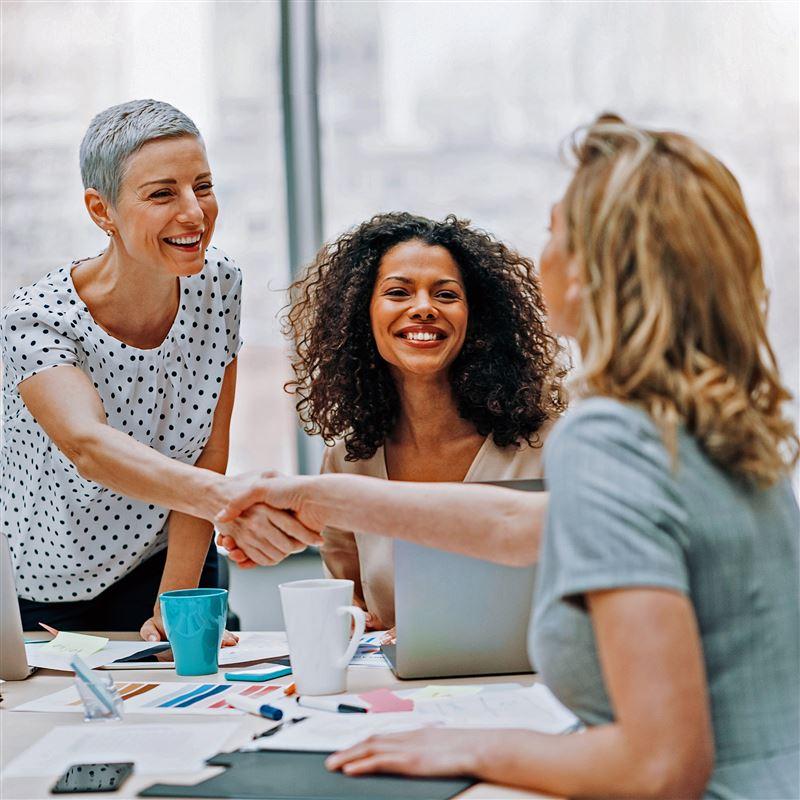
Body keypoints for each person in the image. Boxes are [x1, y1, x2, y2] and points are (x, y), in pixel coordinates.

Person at [217, 116, 800, 799]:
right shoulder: (711, 421)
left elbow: (661, 767)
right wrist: (314, 497)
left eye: (556, 230)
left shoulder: (606, 433)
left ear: (592, 271)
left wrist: (474, 746)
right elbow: (516, 526)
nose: (542, 250)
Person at [1, 99, 318, 642]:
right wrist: (227, 500)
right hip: (48, 579)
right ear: (102, 211)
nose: (194, 212)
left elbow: (209, 449)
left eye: (203, 185)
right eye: (162, 193)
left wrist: (175, 600)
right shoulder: (35, 319)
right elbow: (88, 447)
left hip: (171, 546)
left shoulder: (218, 284)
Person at [221, 212, 567, 632]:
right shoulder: (349, 459)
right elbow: (348, 599)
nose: (423, 308)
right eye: (399, 292)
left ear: (476, 317)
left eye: (445, 295)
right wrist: (348, 616)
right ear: (362, 316)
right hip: (398, 690)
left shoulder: (548, 446)